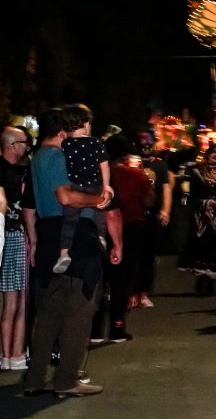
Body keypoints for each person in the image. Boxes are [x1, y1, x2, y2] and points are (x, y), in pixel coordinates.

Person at [22, 107, 122, 398]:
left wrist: (35, 241)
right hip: (74, 239)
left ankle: (35, 378)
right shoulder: (54, 157)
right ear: (64, 130)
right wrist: (99, 199)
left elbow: (32, 207)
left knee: (49, 314)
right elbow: (66, 196)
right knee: (78, 311)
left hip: (50, 236)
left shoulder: (40, 158)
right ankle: (66, 379)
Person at [91, 135, 154, 343]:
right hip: (131, 227)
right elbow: (149, 201)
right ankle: (117, 327)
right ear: (126, 155)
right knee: (122, 280)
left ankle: (96, 329)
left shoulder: (98, 174)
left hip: (100, 227)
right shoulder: (136, 175)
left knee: (100, 279)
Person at [53, 103, 112, 274]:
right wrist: (106, 186)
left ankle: (64, 252)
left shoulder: (65, 145)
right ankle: (101, 238)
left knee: (69, 221)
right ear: (86, 124)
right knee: (100, 210)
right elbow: (104, 165)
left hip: (75, 186)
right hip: (95, 186)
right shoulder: (95, 142)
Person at [177, 144, 216, 295]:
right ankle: (200, 282)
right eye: (213, 152)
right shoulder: (197, 172)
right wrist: (206, 203)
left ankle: (212, 282)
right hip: (203, 218)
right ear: (207, 155)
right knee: (202, 248)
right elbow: (192, 195)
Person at [133, 131, 174, 309]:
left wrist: (165, 210)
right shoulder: (130, 163)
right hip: (133, 216)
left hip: (152, 216)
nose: (147, 148)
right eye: (143, 145)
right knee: (132, 256)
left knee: (148, 256)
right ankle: (131, 293)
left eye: (149, 144)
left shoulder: (159, 165)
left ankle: (144, 292)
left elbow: (166, 188)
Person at [0, 127, 23, 370]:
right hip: (13, 235)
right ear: (13, 144)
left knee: (10, 299)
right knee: (17, 299)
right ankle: (12, 354)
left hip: (5, 236)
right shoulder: (13, 173)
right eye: (24, 142)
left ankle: (8, 354)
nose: (27, 146)